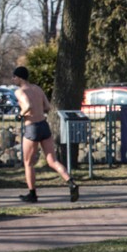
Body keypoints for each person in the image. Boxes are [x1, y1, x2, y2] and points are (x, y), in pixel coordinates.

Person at [12, 66, 79, 203]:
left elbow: (28, 105)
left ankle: (32, 194)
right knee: (52, 161)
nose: (13, 79)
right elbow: (47, 107)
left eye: (14, 77)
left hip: (31, 127)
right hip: (44, 125)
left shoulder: (19, 91)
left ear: (19, 77)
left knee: (28, 163)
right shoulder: (37, 89)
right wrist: (37, 109)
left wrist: (20, 115)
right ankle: (71, 182)